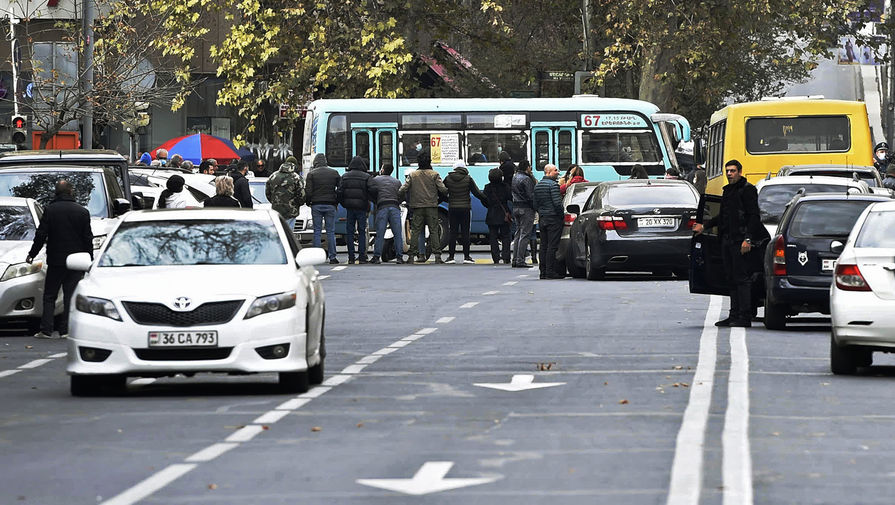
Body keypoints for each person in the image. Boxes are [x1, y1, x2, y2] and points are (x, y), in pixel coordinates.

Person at [692, 159, 770, 327]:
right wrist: (705, 225)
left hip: (740, 240)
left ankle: (744, 316)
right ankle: (733, 315)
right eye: (727, 171)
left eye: (733, 171)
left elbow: (753, 216)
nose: (729, 174)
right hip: (727, 240)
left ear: (740, 172)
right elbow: (723, 216)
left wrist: (747, 239)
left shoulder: (747, 190)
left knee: (742, 279)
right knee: (731, 278)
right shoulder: (728, 191)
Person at [26, 180, 93, 338]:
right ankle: (66, 329)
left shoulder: (50, 210)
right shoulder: (82, 212)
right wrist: (89, 259)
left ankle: (46, 329)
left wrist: (32, 254)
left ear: (56, 192)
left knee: (50, 295)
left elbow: (41, 235)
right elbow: (87, 238)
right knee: (70, 295)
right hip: (76, 261)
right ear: (71, 192)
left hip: (56, 260)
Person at [398, 148, 448, 264]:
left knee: (416, 231)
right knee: (434, 231)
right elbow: (443, 190)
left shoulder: (413, 175)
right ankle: (437, 256)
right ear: (429, 162)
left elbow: (402, 189)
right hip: (431, 206)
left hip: (417, 207)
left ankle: (415, 256)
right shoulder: (434, 174)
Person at [443, 159, 487, 264]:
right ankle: (467, 257)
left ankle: (451, 257)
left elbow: (442, 192)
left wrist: (448, 200)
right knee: (465, 232)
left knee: (452, 232)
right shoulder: (468, 179)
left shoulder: (448, 179)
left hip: (452, 208)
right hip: (465, 208)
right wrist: (487, 200)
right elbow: (477, 193)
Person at [305, 153, 341, 264]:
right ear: (325, 161)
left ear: (315, 162)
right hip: (330, 204)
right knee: (331, 231)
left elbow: (308, 191)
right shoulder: (334, 173)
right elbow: (340, 189)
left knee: (317, 231)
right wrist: (336, 201)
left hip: (316, 204)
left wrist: (308, 202)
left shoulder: (311, 174)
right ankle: (332, 257)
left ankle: (317, 257)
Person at [532, 164, 565, 279]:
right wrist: (561, 216)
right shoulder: (553, 186)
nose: (558, 172)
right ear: (549, 172)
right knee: (552, 246)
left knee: (543, 245)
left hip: (543, 218)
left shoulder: (538, 186)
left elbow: (535, 204)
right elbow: (557, 204)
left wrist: (542, 212)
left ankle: (543, 271)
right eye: (556, 170)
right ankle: (550, 271)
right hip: (553, 219)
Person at [367, 163, 404, 264]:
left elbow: (370, 192)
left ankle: (376, 257)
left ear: (382, 170)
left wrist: (376, 201)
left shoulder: (376, 180)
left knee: (380, 234)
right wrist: (397, 202)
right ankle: (399, 257)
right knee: (397, 234)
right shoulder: (397, 181)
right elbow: (401, 194)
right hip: (395, 207)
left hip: (382, 207)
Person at [338, 156, 372, 264]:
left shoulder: (345, 176)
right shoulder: (366, 177)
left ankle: (351, 257)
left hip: (350, 208)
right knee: (362, 232)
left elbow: (339, 192)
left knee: (350, 232)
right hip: (362, 208)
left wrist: (344, 203)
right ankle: (362, 256)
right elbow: (372, 190)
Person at [266, 156, 305, 230]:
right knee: (289, 235)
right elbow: (302, 196)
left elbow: (268, 193)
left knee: (279, 233)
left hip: (276, 210)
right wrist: (297, 204)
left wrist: (275, 202)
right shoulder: (297, 178)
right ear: (294, 165)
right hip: (291, 211)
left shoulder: (273, 176)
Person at [483, 167, 512, 264]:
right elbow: (510, 197)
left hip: (491, 213)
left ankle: (495, 257)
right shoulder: (505, 187)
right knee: (506, 236)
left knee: (493, 237)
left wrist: (490, 205)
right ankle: (506, 256)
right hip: (503, 213)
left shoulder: (487, 187)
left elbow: (484, 200)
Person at [511, 159, 536, 267]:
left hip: (516, 207)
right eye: (530, 167)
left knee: (518, 234)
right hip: (526, 208)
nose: (531, 168)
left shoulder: (515, 177)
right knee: (525, 234)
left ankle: (515, 259)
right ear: (527, 167)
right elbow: (530, 196)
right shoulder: (526, 179)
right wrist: (535, 207)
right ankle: (520, 260)